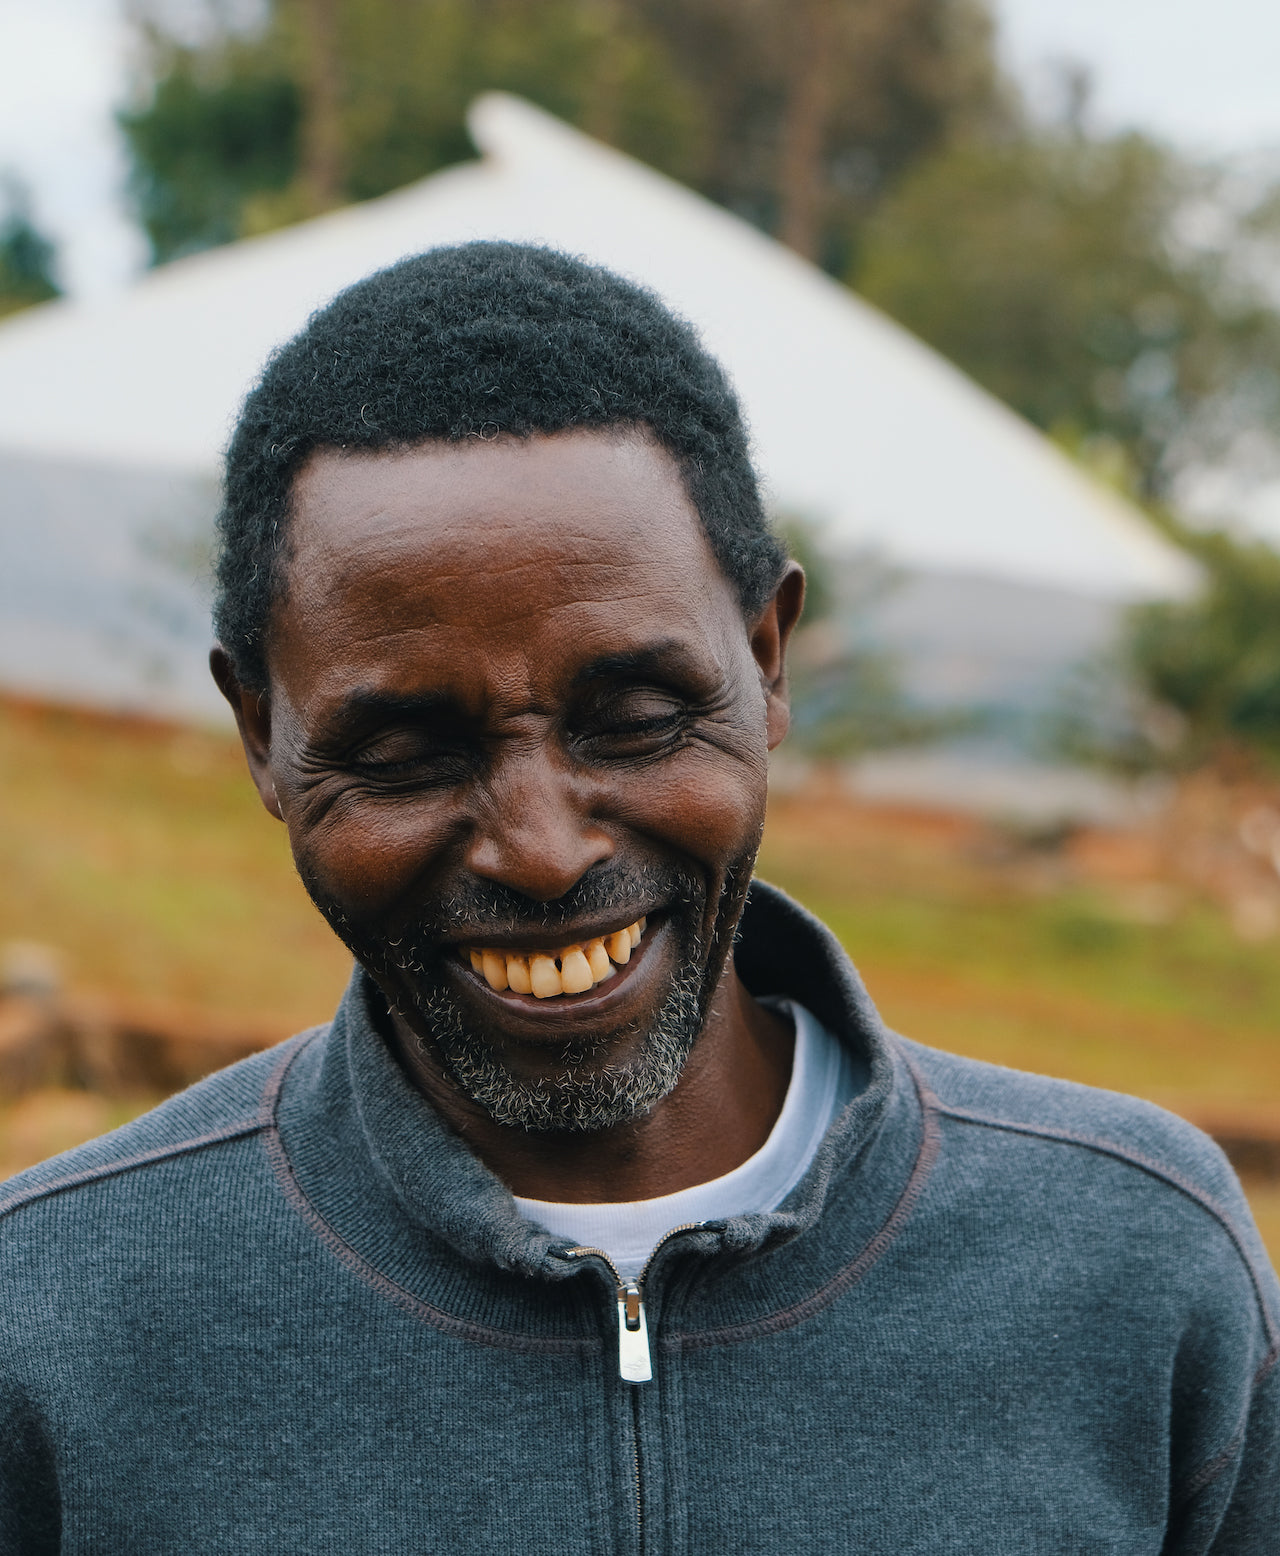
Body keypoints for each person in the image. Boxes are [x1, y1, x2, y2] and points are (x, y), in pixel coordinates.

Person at [1, 243, 1276, 1554]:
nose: (541, 851)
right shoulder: (54, 1320)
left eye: (636, 718)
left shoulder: (1136, 1268)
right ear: (263, 736)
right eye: (405, 750)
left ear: (767, 660)